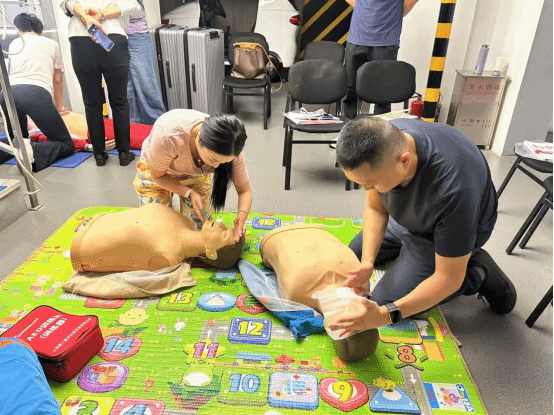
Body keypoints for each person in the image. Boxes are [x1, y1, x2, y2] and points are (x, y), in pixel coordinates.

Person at [329, 118, 517, 336]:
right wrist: (367, 261)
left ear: (404, 161)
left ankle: (478, 271)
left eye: (371, 184)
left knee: (384, 304)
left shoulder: (454, 191)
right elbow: (375, 209)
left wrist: (384, 315)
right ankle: (405, 257)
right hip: (407, 217)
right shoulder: (385, 140)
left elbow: (447, 279)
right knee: (351, 259)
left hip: (442, 232)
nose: (366, 190)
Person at [133, 109, 252, 241]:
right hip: (157, 171)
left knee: (199, 226)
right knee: (156, 231)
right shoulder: (167, 137)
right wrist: (188, 193)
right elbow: (158, 176)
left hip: (194, 172)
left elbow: (244, 191)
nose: (217, 166)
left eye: (223, 162)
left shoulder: (231, 150)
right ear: (199, 138)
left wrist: (242, 217)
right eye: (213, 159)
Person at [60, 0, 141, 167]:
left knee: (92, 103)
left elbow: (67, 2)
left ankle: (99, 154)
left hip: (80, 38)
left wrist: (85, 17)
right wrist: (101, 14)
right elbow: (133, 5)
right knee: (119, 101)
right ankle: (124, 154)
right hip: (111, 35)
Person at [0, 13, 74, 172]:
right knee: (66, 145)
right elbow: (58, 80)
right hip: (36, 93)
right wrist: (58, 108)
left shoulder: (14, 43)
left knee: (17, 140)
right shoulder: (51, 44)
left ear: (19, 29)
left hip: (8, 94)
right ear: (39, 29)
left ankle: (22, 149)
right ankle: (32, 153)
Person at [343, 0, 419, 119]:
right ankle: (348, 123)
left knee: (383, 93)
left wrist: (394, 13)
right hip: (357, 37)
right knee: (350, 87)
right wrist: (362, 8)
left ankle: (381, 128)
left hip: (386, 40)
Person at [125, 0, 166, 125]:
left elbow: (133, 7)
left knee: (147, 85)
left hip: (136, 33)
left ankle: (159, 128)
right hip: (112, 34)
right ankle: (134, 130)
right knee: (125, 90)